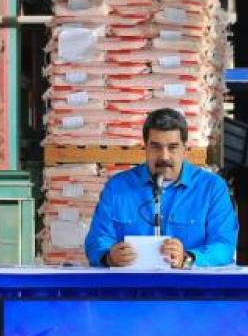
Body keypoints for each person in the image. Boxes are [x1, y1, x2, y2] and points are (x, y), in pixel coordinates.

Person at [85, 109, 238, 268]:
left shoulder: (212, 188)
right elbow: (97, 241)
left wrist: (188, 258)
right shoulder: (117, 187)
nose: (164, 156)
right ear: (145, 147)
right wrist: (109, 256)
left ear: (185, 148)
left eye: (172, 147)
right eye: (155, 147)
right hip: (132, 283)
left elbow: (224, 246)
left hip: (190, 283)